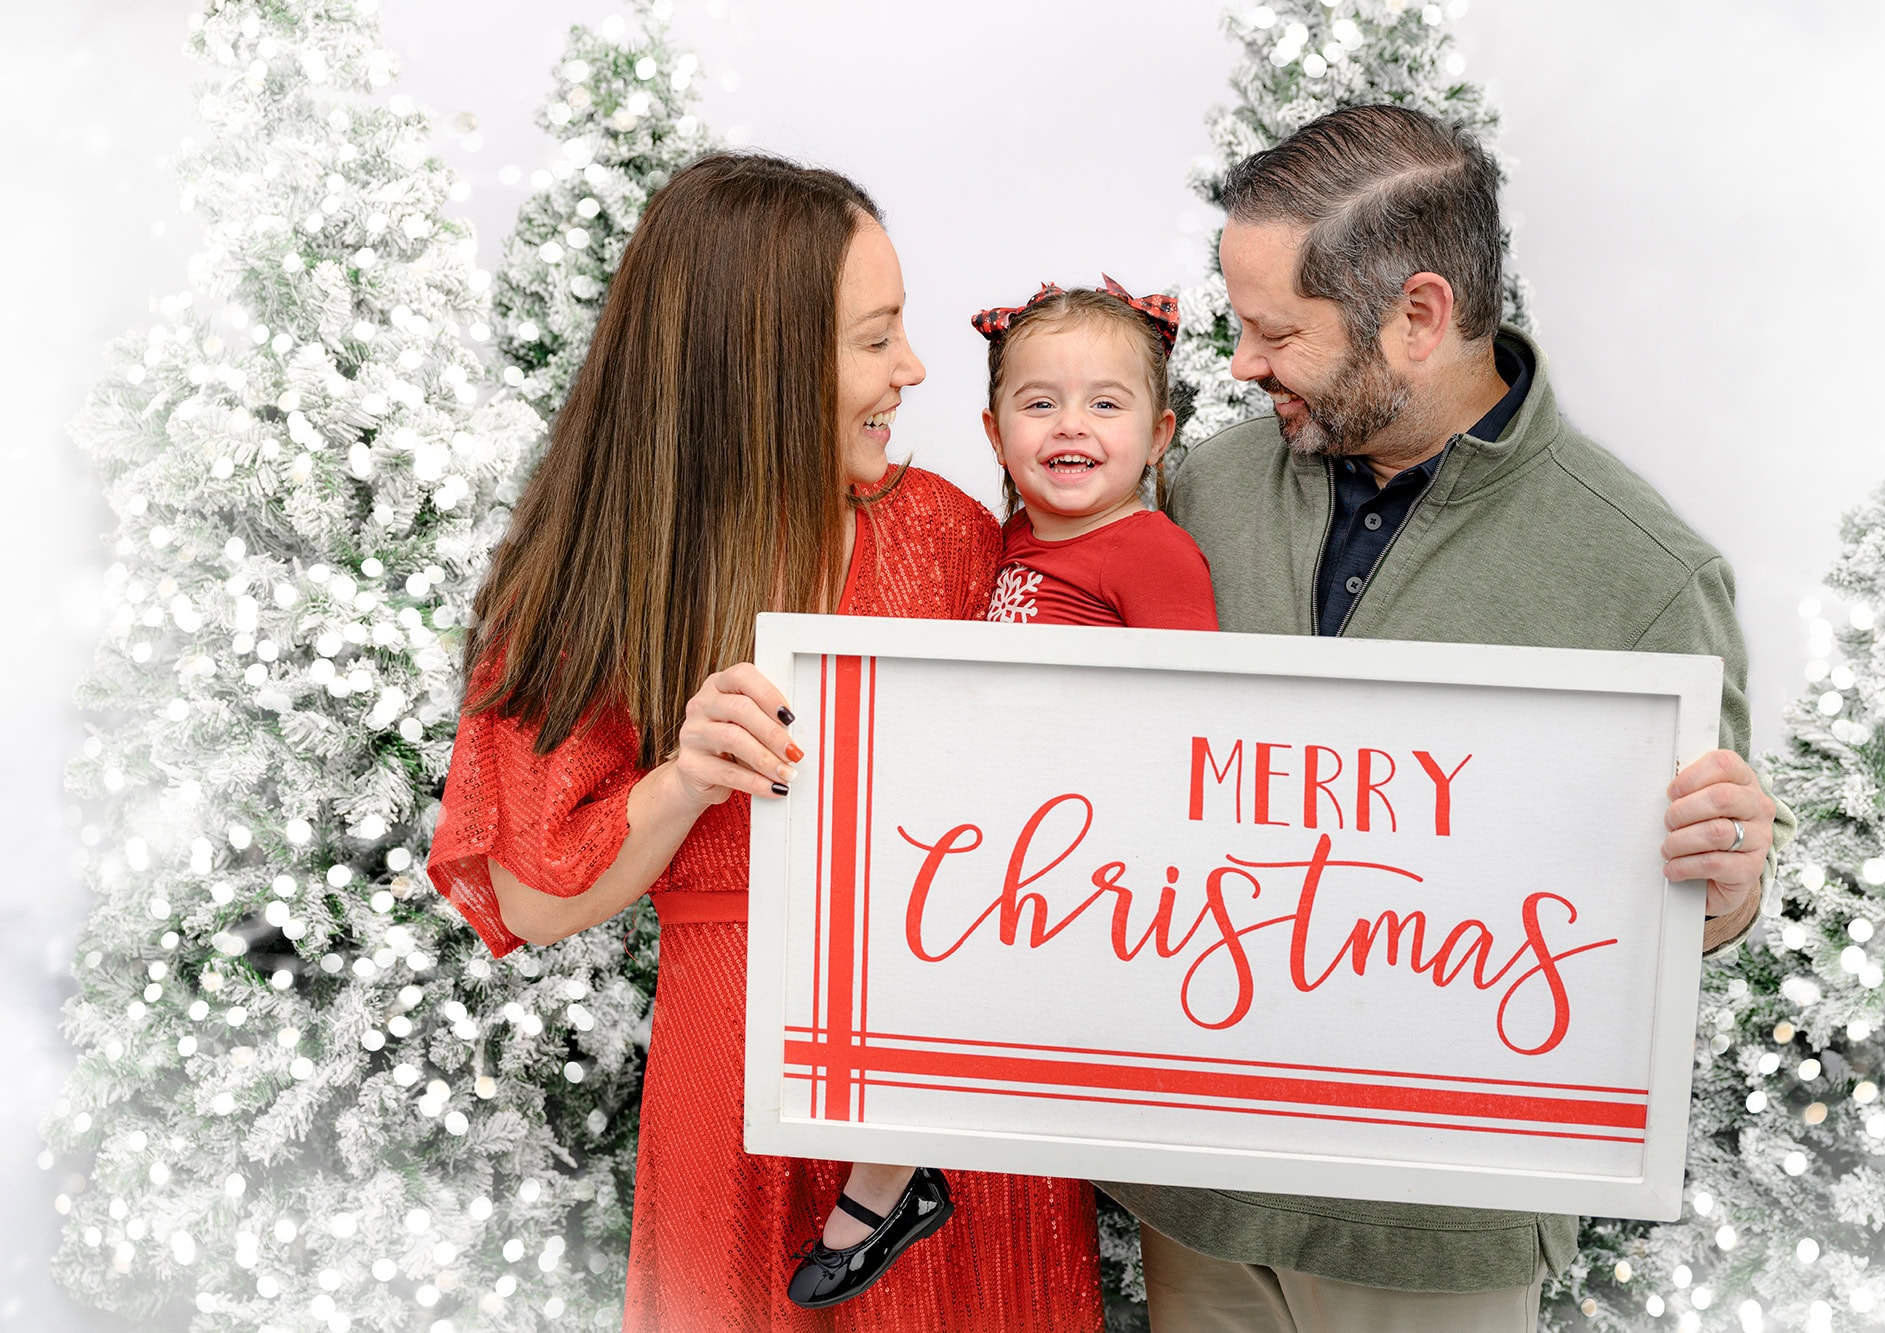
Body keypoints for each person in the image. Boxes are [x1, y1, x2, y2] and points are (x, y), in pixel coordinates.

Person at [1096, 105, 1795, 1332]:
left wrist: (1725, 885)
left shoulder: (1641, 575)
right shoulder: (1200, 484)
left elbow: (1681, 919)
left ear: (1416, 318)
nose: (1241, 364)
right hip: (1195, 1190)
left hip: (1435, 1229)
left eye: (1273, 333)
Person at [424, 153, 1103, 1332]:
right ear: (761, 364)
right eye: (874, 338)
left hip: (937, 1104)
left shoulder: (945, 533)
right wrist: (685, 778)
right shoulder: (598, 575)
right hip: (732, 1090)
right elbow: (532, 898)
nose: (912, 370)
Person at [973, 278, 1218, 630]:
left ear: (1156, 437)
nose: (1071, 425)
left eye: (1105, 404)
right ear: (997, 436)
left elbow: (1192, 683)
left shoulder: (1154, 555)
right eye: (1041, 404)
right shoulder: (1005, 538)